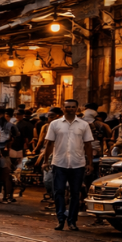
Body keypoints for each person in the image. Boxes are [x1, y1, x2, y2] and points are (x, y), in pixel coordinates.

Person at [44, 99, 94, 232]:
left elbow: (88, 145)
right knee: (58, 191)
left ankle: (72, 221)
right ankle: (61, 219)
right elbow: (49, 144)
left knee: (75, 193)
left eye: (73, 107)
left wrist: (90, 163)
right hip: (59, 162)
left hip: (78, 163)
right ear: (63, 108)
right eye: (68, 107)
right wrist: (45, 161)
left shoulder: (83, 125)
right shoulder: (55, 124)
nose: (70, 109)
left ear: (77, 108)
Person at [0, 108, 18, 204]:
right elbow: (16, 136)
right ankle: (8, 196)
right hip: (6, 153)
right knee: (7, 176)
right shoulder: (11, 125)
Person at [86, 110, 112, 181]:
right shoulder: (102, 125)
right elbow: (110, 134)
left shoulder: (101, 125)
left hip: (95, 150)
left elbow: (109, 135)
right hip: (94, 150)